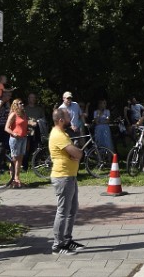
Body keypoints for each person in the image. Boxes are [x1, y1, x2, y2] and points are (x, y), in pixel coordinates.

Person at [49, 107, 84, 254]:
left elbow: (74, 153)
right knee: (63, 211)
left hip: (70, 175)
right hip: (62, 177)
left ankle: (67, 240)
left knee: (72, 209)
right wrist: (76, 153)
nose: (71, 118)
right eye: (69, 116)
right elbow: (77, 153)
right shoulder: (59, 135)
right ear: (61, 120)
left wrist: (75, 154)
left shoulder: (63, 133)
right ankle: (58, 245)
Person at [4, 98, 29, 188]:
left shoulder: (24, 114)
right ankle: (12, 179)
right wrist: (13, 133)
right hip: (15, 138)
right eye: (20, 103)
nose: (22, 105)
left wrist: (27, 131)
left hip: (23, 138)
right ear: (16, 105)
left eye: (23, 103)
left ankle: (17, 177)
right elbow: (6, 128)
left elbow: (24, 126)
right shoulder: (13, 115)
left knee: (20, 158)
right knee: (14, 158)